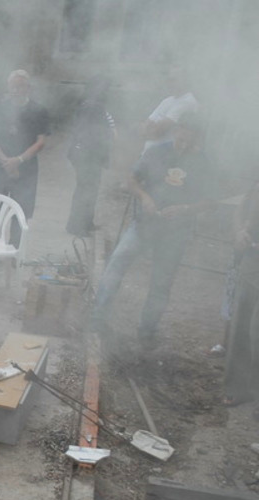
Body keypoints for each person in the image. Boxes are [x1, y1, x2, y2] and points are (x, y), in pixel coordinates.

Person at [90, 114, 215, 345]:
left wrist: (186, 208)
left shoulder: (202, 163)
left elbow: (209, 201)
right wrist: (145, 197)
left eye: (190, 139)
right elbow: (131, 179)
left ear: (197, 138)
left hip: (176, 233)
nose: (184, 142)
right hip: (144, 224)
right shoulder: (157, 151)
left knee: (161, 282)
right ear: (177, 130)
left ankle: (147, 332)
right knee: (117, 263)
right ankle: (97, 319)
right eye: (181, 135)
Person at [0, 69, 49, 262]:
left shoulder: (39, 111)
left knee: (20, 210)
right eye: (13, 86)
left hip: (26, 168)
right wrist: (6, 161)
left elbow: (41, 141)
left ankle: (14, 252)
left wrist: (18, 160)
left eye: (20, 86)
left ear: (29, 88)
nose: (16, 90)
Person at [223, 181, 259, 407]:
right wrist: (239, 231)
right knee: (241, 327)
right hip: (252, 259)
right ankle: (238, 387)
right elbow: (243, 207)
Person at [66, 78, 115, 237]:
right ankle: (77, 226)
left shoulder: (93, 105)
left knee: (89, 190)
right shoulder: (93, 106)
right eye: (105, 89)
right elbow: (87, 132)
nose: (108, 92)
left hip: (89, 155)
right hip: (87, 155)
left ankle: (85, 223)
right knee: (86, 190)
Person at [141, 67, 199, 154]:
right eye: (169, 80)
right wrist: (150, 129)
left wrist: (153, 128)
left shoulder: (188, 101)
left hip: (166, 156)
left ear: (184, 80)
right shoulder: (167, 101)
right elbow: (144, 128)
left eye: (174, 80)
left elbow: (160, 129)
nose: (170, 83)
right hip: (148, 153)